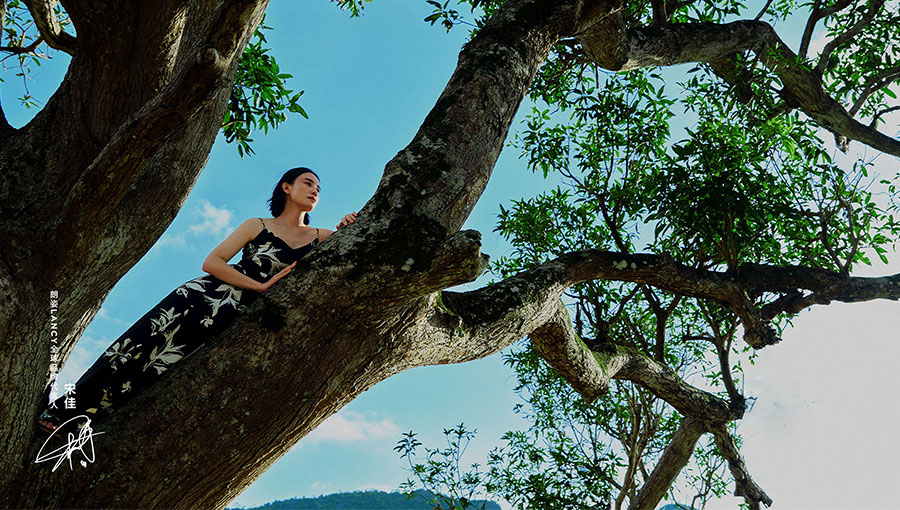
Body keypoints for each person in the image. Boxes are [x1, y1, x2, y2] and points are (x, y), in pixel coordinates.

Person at [36, 167, 358, 435]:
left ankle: (86, 426)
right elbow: (212, 262)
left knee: (159, 369)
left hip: (232, 318)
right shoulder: (257, 225)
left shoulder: (322, 238)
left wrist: (348, 223)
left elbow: (355, 241)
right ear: (286, 187)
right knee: (131, 350)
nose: (315, 190)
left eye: (319, 188)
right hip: (197, 298)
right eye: (308, 183)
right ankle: (61, 412)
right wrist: (259, 286)